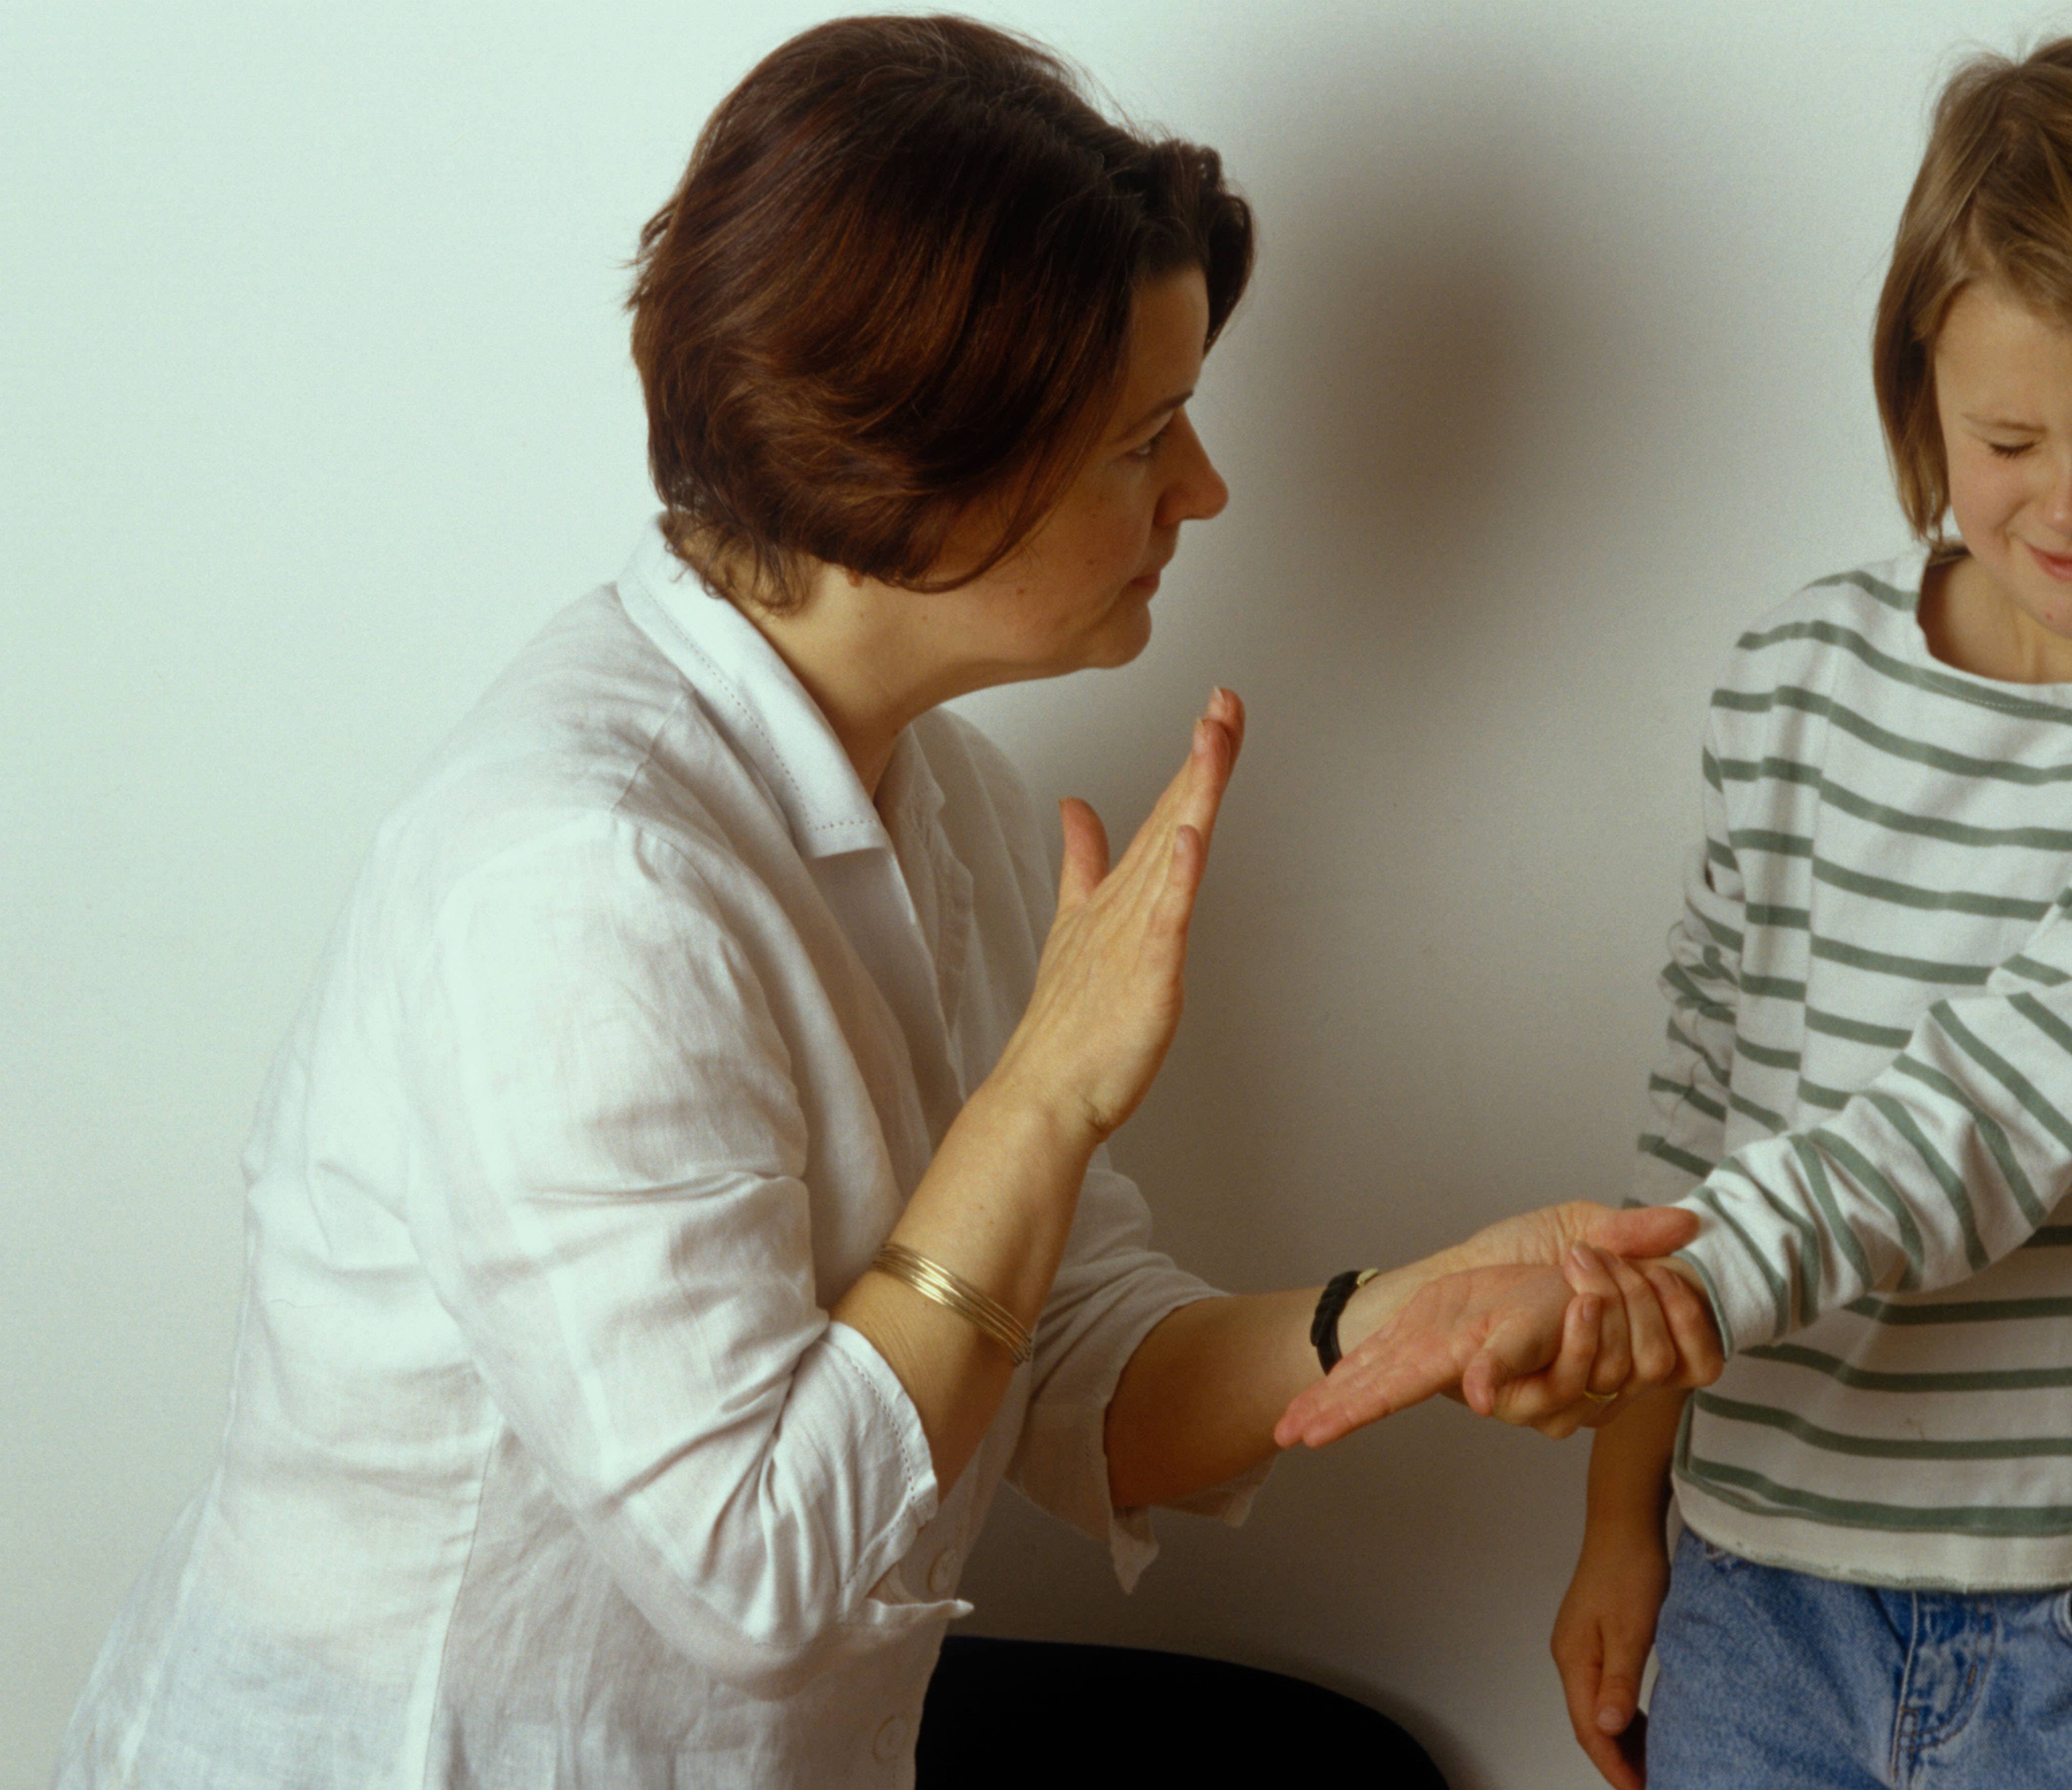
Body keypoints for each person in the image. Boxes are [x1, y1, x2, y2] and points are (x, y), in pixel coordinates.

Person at [53, 18, 1715, 1788]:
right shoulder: (576, 884)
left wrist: (1408, 1313)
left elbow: (1060, 1354)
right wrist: (1039, 1098)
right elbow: (764, 1570)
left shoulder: (946, 803)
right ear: (925, 469)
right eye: (1146, 437)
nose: (1207, 490)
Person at [1533, 30, 2072, 1789]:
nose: (2068, 502)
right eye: (2005, 435)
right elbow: (1695, 1115)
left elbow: (1982, 1124)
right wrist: (1622, 1505)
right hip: (1763, 1580)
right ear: (1918, 390)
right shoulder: (1796, 676)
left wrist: (1567, 1314)